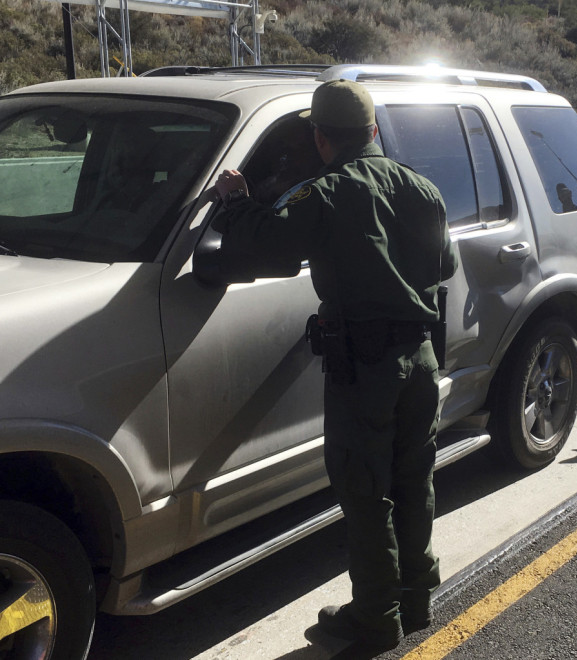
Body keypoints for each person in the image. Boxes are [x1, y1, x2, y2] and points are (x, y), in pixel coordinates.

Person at [212, 79, 458, 651]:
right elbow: (443, 263)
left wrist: (237, 202)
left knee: (367, 492)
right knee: (413, 480)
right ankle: (417, 599)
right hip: (420, 359)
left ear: (321, 138)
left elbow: (266, 247)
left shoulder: (322, 193)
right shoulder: (422, 188)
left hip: (365, 368)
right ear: (372, 131)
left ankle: (375, 619)